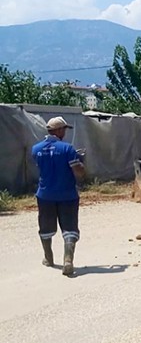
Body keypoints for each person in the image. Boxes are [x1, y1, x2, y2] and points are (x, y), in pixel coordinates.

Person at [32, 116, 85, 276]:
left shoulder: (36, 149)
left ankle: (48, 258)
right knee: (69, 229)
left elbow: (43, 167)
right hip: (67, 195)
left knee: (46, 228)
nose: (65, 133)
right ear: (59, 130)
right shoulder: (67, 149)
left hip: (45, 195)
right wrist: (81, 164)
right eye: (64, 129)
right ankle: (68, 261)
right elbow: (78, 172)